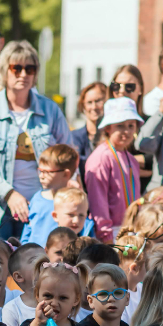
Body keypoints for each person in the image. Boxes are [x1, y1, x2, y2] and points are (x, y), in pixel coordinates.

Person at [0, 41, 71, 239]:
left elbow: (68, 154)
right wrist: (9, 193)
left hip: (41, 208)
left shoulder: (51, 110)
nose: (23, 74)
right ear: (4, 71)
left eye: (30, 69)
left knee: (37, 267)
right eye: (16, 68)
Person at [84, 98, 142, 242]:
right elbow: (98, 201)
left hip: (132, 230)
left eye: (131, 125)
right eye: (120, 126)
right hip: (111, 233)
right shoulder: (101, 158)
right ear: (108, 128)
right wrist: (106, 236)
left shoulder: (131, 159)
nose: (127, 131)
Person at [21, 145, 80, 245]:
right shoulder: (37, 198)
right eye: (40, 171)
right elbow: (27, 230)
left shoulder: (75, 202)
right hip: (33, 257)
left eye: (47, 172)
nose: (41, 176)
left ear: (66, 174)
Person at [68, 82, 107, 166]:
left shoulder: (114, 136)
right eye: (89, 102)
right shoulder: (73, 137)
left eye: (98, 101)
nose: (94, 107)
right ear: (83, 106)